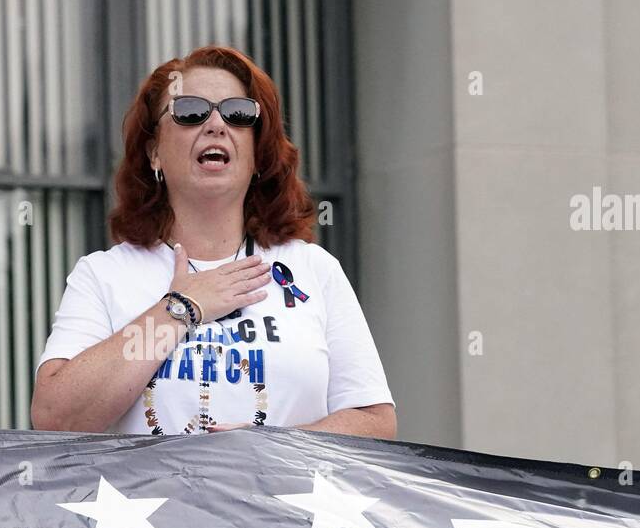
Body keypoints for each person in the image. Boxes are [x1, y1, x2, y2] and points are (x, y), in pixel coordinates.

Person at [31, 45, 396, 439]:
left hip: (278, 501)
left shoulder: (314, 269)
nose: (217, 125)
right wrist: (181, 309)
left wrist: (273, 445)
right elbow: (55, 417)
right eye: (190, 111)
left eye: (238, 113)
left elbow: (375, 423)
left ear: (258, 152)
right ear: (154, 152)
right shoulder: (104, 274)